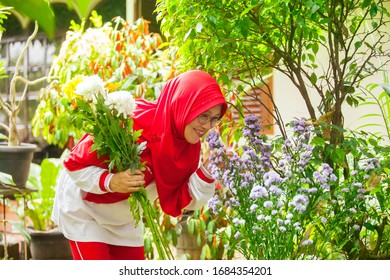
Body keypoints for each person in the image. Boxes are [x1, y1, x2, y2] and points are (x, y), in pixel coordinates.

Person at [51, 70, 228, 260]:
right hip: (84, 209)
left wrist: (209, 169)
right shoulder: (132, 119)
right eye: (203, 115)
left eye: (214, 118)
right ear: (183, 104)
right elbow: (75, 164)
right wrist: (111, 181)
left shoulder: (187, 147)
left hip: (126, 218)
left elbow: (183, 199)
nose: (208, 125)